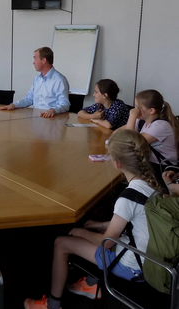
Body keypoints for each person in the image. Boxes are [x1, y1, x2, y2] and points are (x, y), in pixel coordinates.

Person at [24, 129, 160, 309]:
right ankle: (89, 283)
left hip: (132, 265)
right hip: (150, 257)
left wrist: (82, 232)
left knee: (61, 243)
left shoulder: (127, 198)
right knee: (96, 229)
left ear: (117, 163)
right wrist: (100, 225)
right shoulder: (152, 184)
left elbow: (107, 243)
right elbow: (133, 222)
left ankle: (52, 304)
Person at [121, 89, 179, 185]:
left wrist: (132, 116)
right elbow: (120, 132)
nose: (135, 110)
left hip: (163, 169)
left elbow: (130, 142)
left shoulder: (160, 126)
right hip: (150, 164)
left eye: (138, 107)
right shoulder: (142, 121)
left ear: (151, 110)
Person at [0, 47, 70, 118]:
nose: (33, 62)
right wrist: (14, 105)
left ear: (43, 60)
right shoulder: (37, 79)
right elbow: (29, 99)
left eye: (35, 58)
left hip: (52, 120)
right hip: (36, 118)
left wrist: (53, 110)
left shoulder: (59, 80)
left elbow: (65, 104)